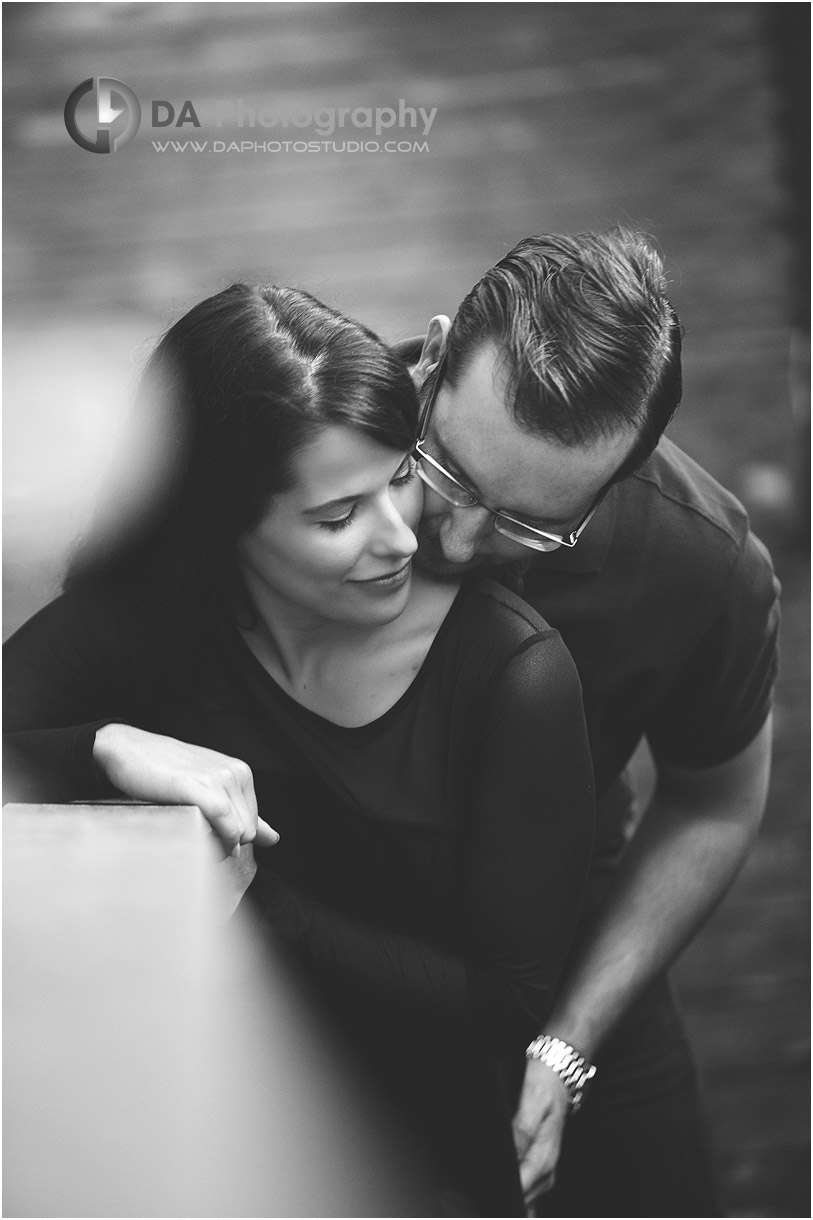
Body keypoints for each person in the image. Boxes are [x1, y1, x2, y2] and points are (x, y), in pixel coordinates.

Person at [3, 282, 595, 1217]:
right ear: (224, 521)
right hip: (182, 1132)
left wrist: (253, 901)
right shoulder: (154, 614)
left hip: (417, 1153)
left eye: (401, 474)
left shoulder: (513, 672)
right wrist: (103, 747)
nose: (401, 537)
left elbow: (506, 1002)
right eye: (336, 516)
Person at [396, 228, 779, 1217]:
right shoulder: (297, 430)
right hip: (326, 914)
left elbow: (713, 803)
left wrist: (565, 1048)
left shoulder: (707, 565)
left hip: (567, 927)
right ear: (433, 357)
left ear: (620, 479)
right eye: (447, 471)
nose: (460, 539)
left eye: (527, 524)